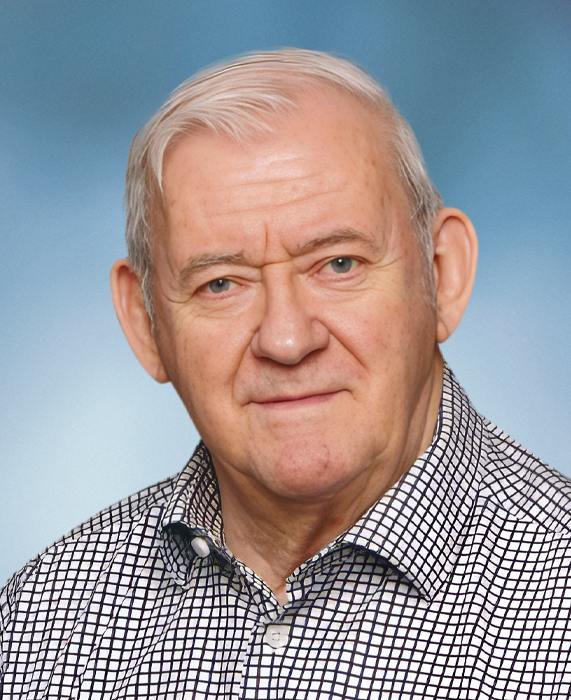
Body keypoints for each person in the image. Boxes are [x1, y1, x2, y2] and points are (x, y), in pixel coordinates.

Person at [1, 49, 570, 699]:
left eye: (339, 265)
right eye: (221, 283)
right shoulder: (41, 624)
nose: (287, 339)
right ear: (145, 322)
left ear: (442, 274)